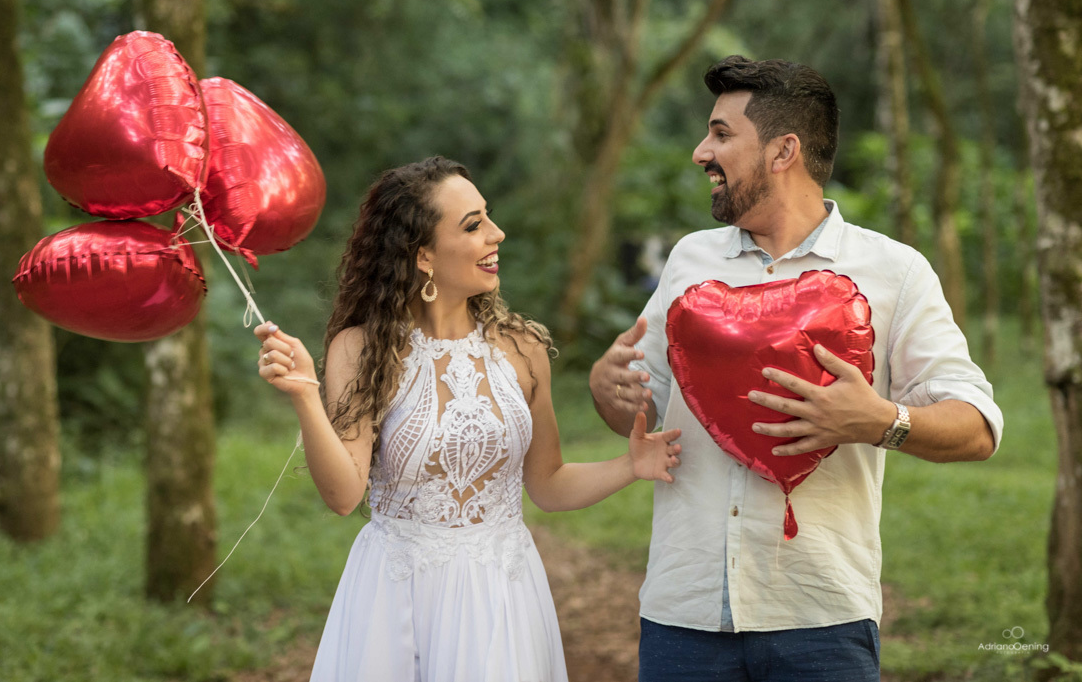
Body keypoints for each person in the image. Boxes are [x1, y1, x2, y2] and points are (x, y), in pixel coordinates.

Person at [589, 56, 1004, 682]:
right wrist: (607, 386)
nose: (701, 152)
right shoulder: (688, 261)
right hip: (683, 614)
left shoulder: (895, 271)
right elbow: (637, 408)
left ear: (784, 151)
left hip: (821, 619)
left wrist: (880, 421)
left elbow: (978, 427)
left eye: (722, 134)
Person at [255, 156, 683, 682]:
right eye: (474, 225)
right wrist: (304, 395)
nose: (496, 234)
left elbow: (547, 485)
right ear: (424, 256)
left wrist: (630, 465)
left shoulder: (522, 348)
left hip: (503, 592)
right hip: (397, 598)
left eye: (489, 217)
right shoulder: (362, 348)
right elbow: (344, 494)